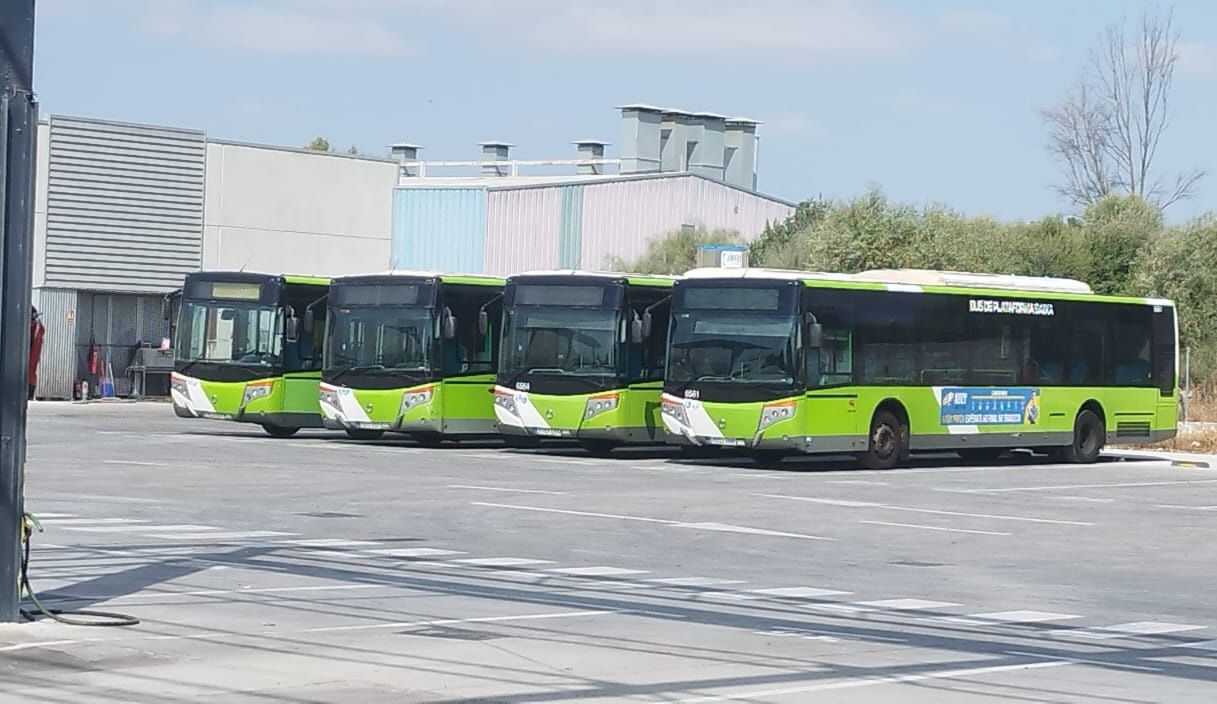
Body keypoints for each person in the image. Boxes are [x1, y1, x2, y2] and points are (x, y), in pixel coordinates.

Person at [28, 306, 45, 401]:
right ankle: (30, 393)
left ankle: (30, 394)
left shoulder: (37, 328)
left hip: (32, 356)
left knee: (31, 373)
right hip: (31, 356)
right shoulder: (38, 328)